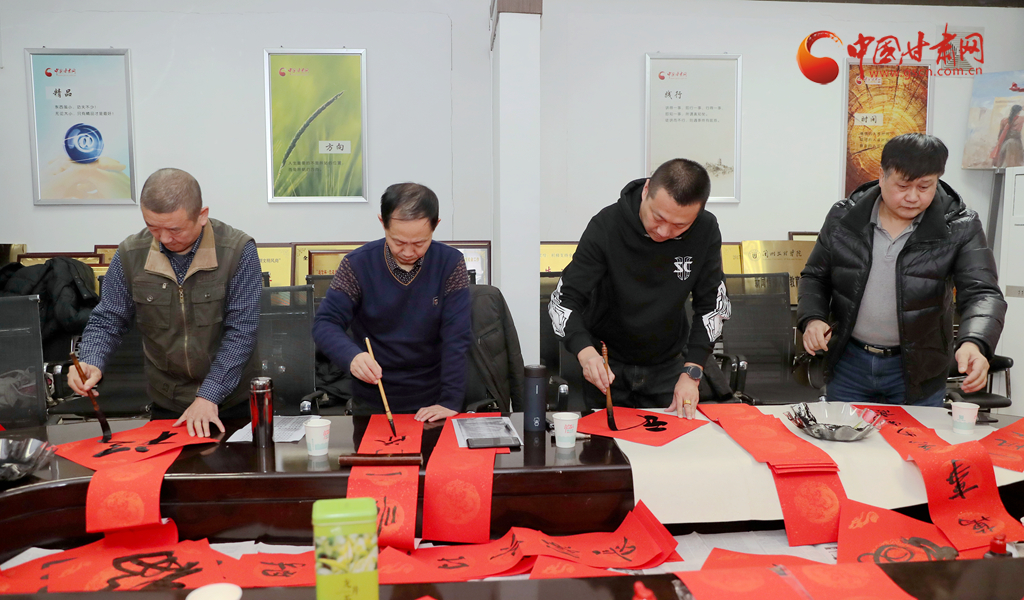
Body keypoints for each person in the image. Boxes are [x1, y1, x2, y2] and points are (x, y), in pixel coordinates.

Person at [799, 133, 1006, 406]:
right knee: (846, 434)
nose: (912, 197)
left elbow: (983, 293)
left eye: (924, 186)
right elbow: (815, 276)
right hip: (850, 363)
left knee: (914, 435)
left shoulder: (960, 226)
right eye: (903, 185)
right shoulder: (844, 217)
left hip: (918, 369)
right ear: (882, 176)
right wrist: (812, 319)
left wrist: (975, 342)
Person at [69, 168, 262, 436]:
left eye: (174, 229)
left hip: (232, 403)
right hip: (169, 404)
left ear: (202, 215)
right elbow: (108, 319)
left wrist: (209, 395)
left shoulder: (237, 251)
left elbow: (242, 332)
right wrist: (90, 360)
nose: (164, 239)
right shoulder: (130, 254)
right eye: (153, 228)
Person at [548, 158, 731, 419]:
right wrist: (586, 353)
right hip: (606, 365)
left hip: (669, 366)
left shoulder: (706, 229)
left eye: (680, 226)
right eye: (658, 217)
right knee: (605, 442)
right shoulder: (607, 225)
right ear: (646, 191)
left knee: (673, 441)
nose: (664, 231)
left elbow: (712, 306)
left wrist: (692, 373)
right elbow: (564, 300)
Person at [313, 183, 473, 422]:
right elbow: (325, 323)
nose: (408, 252)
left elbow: (456, 337)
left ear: (436, 225)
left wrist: (450, 401)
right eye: (398, 242)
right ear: (383, 222)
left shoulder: (450, 264)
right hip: (373, 398)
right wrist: (352, 356)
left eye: (419, 243)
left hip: (434, 397)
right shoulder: (357, 265)